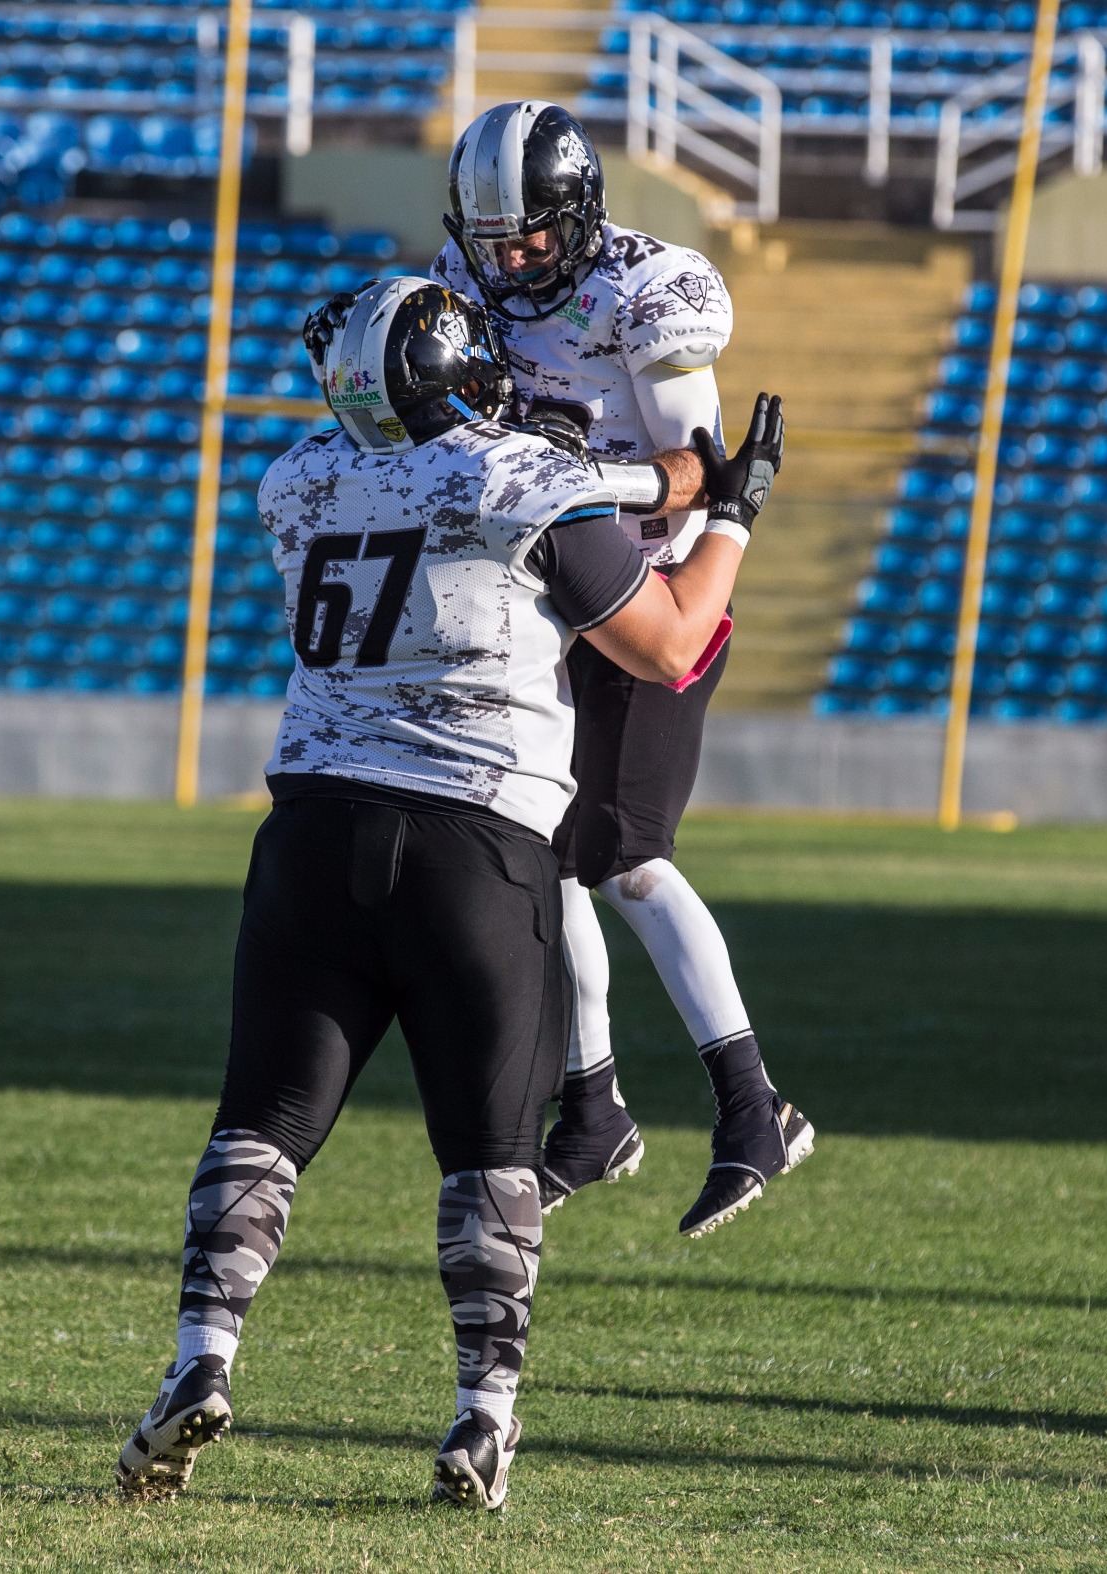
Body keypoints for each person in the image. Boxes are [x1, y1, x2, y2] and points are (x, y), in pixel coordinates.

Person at [115, 276, 784, 1510]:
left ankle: (197, 1356)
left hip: (311, 836)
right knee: (488, 1155)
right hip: (473, 849)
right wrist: (730, 509)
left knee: (259, 1125)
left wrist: (669, 481)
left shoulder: (298, 480)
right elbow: (675, 640)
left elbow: (540, 482)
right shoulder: (514, 478)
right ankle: (484, 1410)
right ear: (459, 368)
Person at [439, 100, 813, 1238]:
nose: (510, 262)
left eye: (531, 238)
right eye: (491, 240)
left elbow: (700, 476)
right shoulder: (469, 277)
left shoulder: (652, 288)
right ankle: (591, 1107)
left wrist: (569, 478)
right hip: (548, 598)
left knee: (624, 854)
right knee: (539, 850)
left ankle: (755, 1106)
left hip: (654, 590)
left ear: (582, 212)